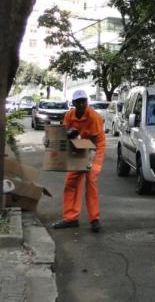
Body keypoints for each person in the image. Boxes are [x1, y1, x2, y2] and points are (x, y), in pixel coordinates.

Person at [50, 90, 106, 233]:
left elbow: (93, 142)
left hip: (95, 148)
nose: (81, 104)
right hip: (79, 147)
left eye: (84, 101)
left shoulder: (93, 116)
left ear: (87, 102)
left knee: (91, 179)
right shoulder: (69, 115)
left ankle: (94, 219)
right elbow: (64, 135)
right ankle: (71, 218)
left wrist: (77, 138)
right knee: (71, 181)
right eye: (78, 102)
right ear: (73, 104)